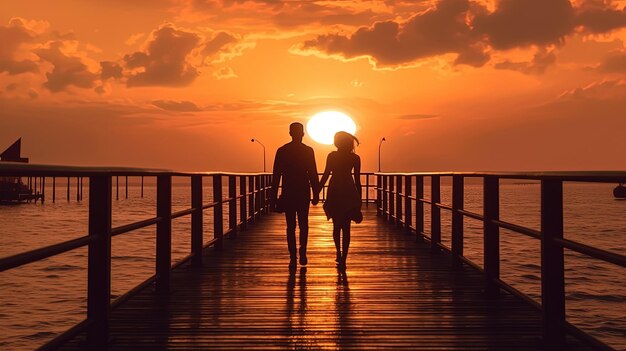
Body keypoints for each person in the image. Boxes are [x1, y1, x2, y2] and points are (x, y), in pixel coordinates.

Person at [272, 122, 320, 270]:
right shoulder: (308, 151)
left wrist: (273, 196)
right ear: (303, 134)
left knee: (290, 226)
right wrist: (316, 193)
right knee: (303, 224)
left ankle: (293, 257)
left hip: (288, 191)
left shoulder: (282, 150)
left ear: (290, 133)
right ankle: (302, 252)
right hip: (303, 191)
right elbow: (313, 173)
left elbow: (276, 176)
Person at [319, 131, 362, 270]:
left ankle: (338, 252)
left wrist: (316, 191)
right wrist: (359, 200)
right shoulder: (355, 158)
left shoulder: (332, 156)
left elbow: (325, 175)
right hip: (349, 190)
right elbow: (358, 181)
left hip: (335, 189)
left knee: (336, 226)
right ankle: (344, 257)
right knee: (346, 227)